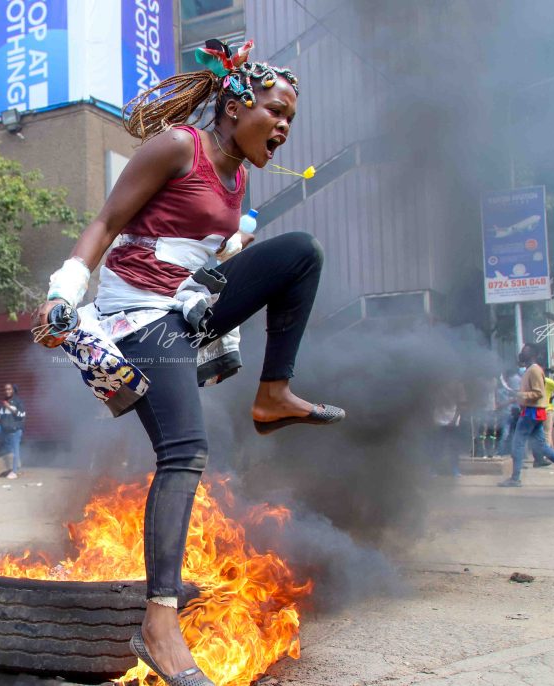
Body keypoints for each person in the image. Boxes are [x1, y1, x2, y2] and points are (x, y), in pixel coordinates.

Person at [32, 39, 342, 684]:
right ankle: (159, 621)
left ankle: (272, 395)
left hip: (187, 308)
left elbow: (199, 245)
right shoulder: (177, 146)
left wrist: (233, 249)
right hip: (136, 316)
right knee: (184, 449)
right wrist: (65, 291)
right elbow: (106, 223)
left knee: (301, 252)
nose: (283, 127)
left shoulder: (241, 175)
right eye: (274, 112)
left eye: (290, 119)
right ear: (233, 106)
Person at [497, 346, 554, 487]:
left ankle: (515, 478)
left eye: (525, 351)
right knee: (542, 446)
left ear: (532, 355)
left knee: (517, 444)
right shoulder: (532, 370)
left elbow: (538, 393)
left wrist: (519, 395)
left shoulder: (534, 370)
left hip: (532, 411)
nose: (521, 354)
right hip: (534, 411)